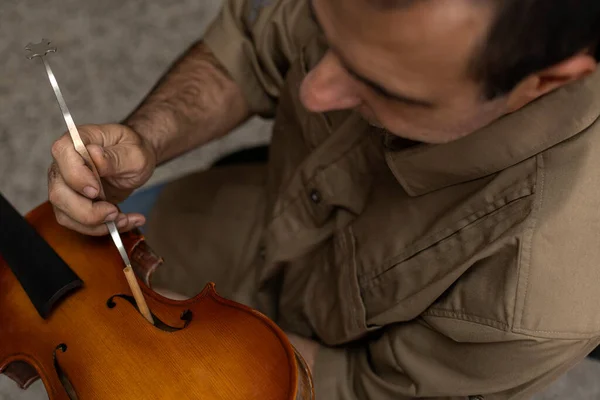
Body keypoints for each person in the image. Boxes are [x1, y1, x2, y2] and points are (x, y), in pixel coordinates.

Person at [46, 0, 600, 398]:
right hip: (226, 220)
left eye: (383, 86)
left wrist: (189, 358)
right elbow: (250, 45)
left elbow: (365, 391)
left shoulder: (546, 295)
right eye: (326, 29)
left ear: (545, 82)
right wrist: (149, 136)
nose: (314, 91)